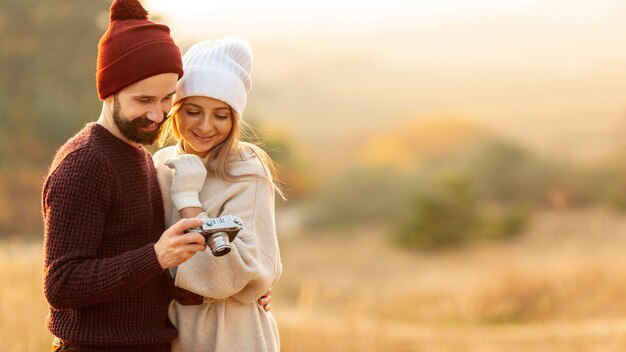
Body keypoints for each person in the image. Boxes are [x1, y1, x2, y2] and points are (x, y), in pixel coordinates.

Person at [41, 1, 270, 351]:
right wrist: (156, 256)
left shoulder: (143, 158)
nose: (156, 114)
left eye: (167, 99)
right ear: (109, 91)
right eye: (144, 99)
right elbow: (62, 284)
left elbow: (149, 274)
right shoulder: (84, 163)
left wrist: (249, 286)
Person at [153, 37, 283, 352]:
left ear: (235, 119)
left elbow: (238, 269)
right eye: (193, 111)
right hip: (167, 329)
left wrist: (188, 200)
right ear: (176, 110)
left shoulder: (247, 172)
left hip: (231, 332)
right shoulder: (158, 164)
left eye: (221, 115)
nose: (205, 126)